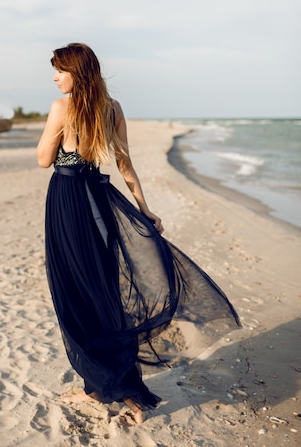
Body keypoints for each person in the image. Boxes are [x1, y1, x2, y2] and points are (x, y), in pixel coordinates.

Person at [37, 43, 240, 424]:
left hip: (68, 203)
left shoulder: (61, 108)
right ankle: (114, 391)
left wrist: (57, 133)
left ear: (76, 72)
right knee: (104, 291)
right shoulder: (112, 109)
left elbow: (44, 159)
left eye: (59, 71)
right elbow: (125, 164)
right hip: (99, 200)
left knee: (76, 294)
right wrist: (145, 209)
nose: (54, 77)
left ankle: (109, 388)